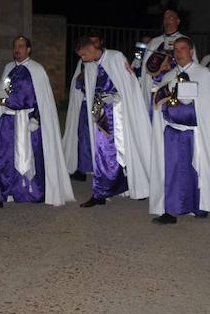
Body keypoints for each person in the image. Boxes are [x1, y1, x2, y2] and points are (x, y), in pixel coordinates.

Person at [149, 37, 210, 223]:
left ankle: (199, 205)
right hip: (173, 131)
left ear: (191, 51)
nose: (179, 52)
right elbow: (159, 105)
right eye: (176, 49)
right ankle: (171, 210)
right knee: (172, 169)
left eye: (183, 48)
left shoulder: (203, 74)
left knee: (197, 169)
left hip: (196, 133)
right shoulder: (169, 76)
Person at [0, 36, 74, 208]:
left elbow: (33, 99)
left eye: (21, 46)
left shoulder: (37, 70)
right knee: (2, 157)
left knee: (32, 158)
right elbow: (5, 91)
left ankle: (33, 193)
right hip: (8, 121)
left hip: (27, 122)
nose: (17, 49)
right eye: (15, 46)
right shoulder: (8, 68)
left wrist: (4, 101)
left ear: (28, 49)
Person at [63, 36, 151, 207]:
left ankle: (136, 184)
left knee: (127, 150)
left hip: (120, 114)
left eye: (83, 55)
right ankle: (101, 192)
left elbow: (129, 85)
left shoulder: (116, 58)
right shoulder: (90, 66)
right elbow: (90, 90)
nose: (82, 59)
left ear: (90, 50)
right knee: (102, 152)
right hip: (101, 114)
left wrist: (116, 97)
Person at [64, 31, 104, 182]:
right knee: (83, 136)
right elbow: (78, 83)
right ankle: (82, 168)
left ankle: (100, 169)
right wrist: (82, 77)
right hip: (85, 103)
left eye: (95, 42)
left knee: (101, 138)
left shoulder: (105, 60)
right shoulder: (84, 61)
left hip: (100, 104)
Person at [140, 9, 196, 118]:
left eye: (170, 18)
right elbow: (146, 71)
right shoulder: (154, 42)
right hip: (155, 92)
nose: (167, 21)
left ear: (178, 21)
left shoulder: (185, 41)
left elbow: (192, 67)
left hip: (176, 91)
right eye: (165, 18)